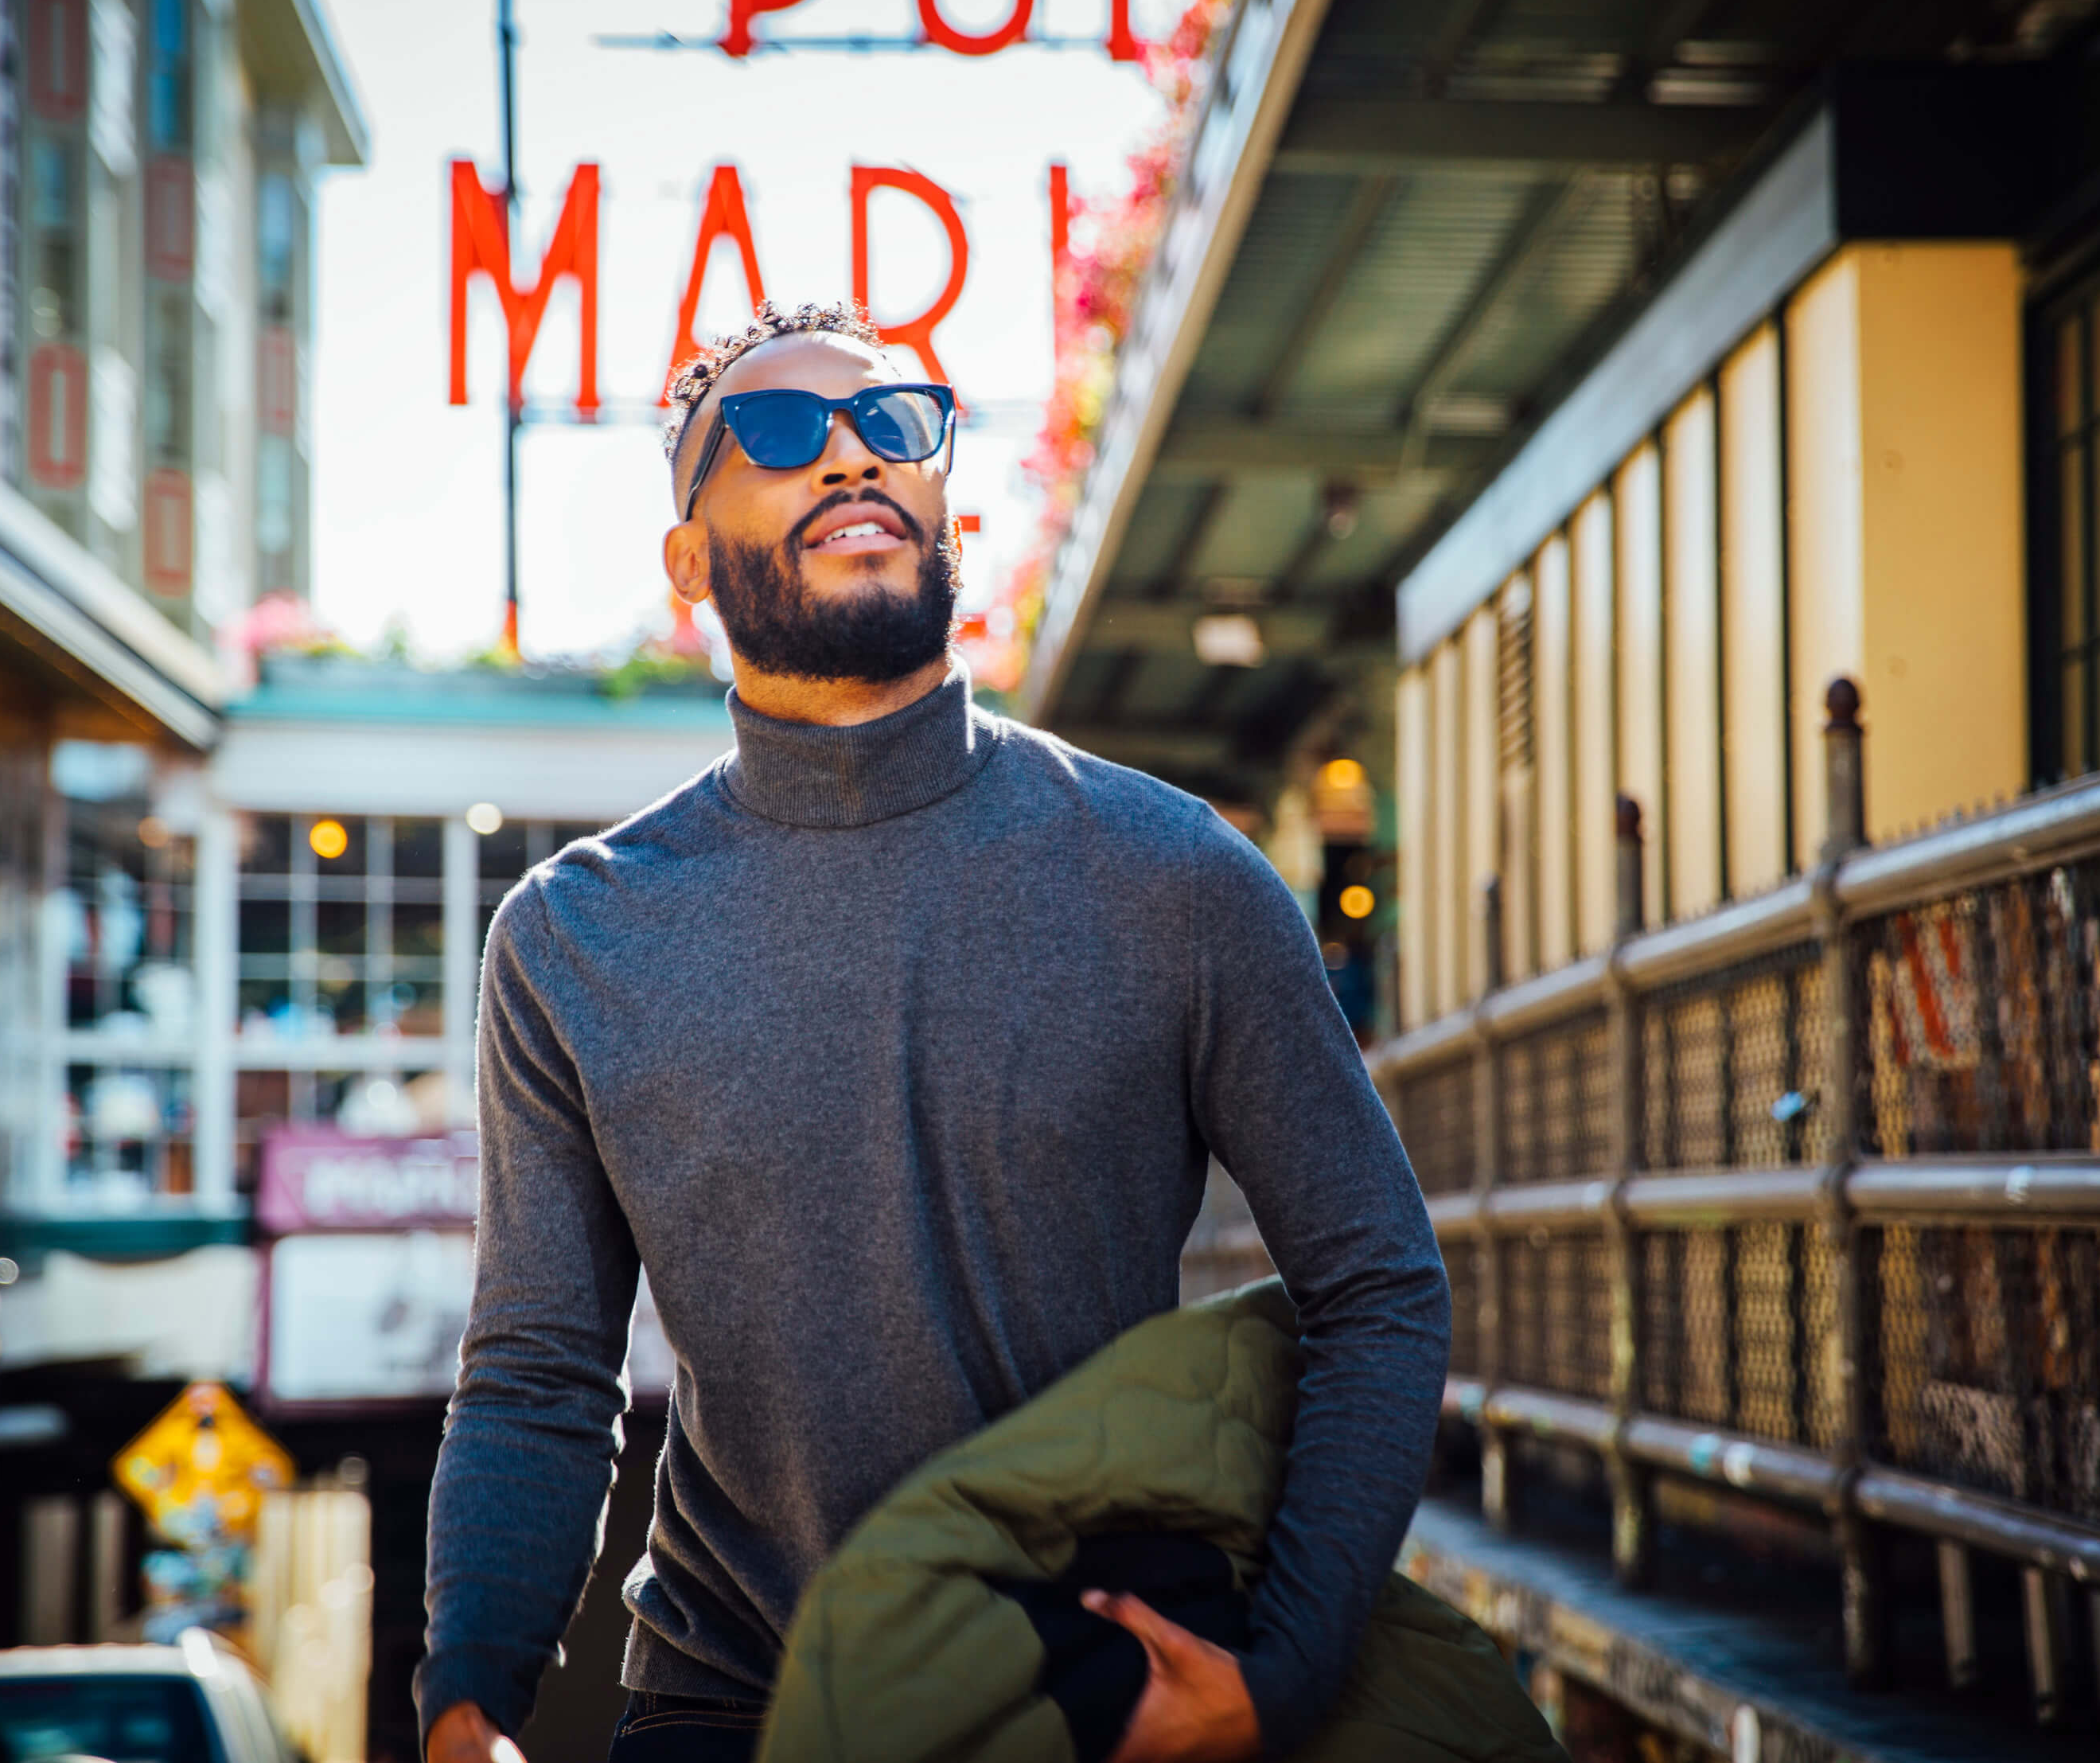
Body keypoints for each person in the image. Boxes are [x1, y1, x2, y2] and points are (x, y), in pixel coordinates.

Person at [416, 302, 1449, 1763]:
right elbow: (537, 1371)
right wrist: (468, 1694)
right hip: (727, 1710)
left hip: (1082, 1703)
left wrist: (1277, 1670)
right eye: (777, 434)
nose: (850, 454)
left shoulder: (1177, 876)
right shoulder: (572, 935)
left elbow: (1380, 1285)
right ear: (688, 558)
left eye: (892, 421)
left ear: (940, 491)